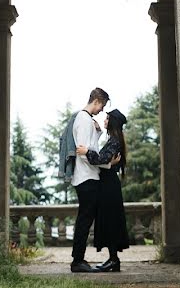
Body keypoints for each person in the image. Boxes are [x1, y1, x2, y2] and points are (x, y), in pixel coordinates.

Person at [76, 108, 130, 272]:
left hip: (109, 186)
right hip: (107, 185)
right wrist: (98, 133)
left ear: (112, 122)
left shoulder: (114, 141)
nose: (104, 121)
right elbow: (105, 159)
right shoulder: (114, 139)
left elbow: (101, 159)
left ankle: (114, 260)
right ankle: (113, 259)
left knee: (111, 221)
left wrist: (86, 151)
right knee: (109, 221)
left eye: (106, 119)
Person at [67, 87, 109, 273]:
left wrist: (98, 133)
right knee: (84, 220)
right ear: (97, 101)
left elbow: (90, 147)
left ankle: (78, 259)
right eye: (102, 106)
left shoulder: (87, 120)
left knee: (85, 219)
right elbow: (83, 153)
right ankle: (77, 261)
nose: (102, 110)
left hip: (88, 177)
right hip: (86, 177)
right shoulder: (83, 120)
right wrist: (105, 163)